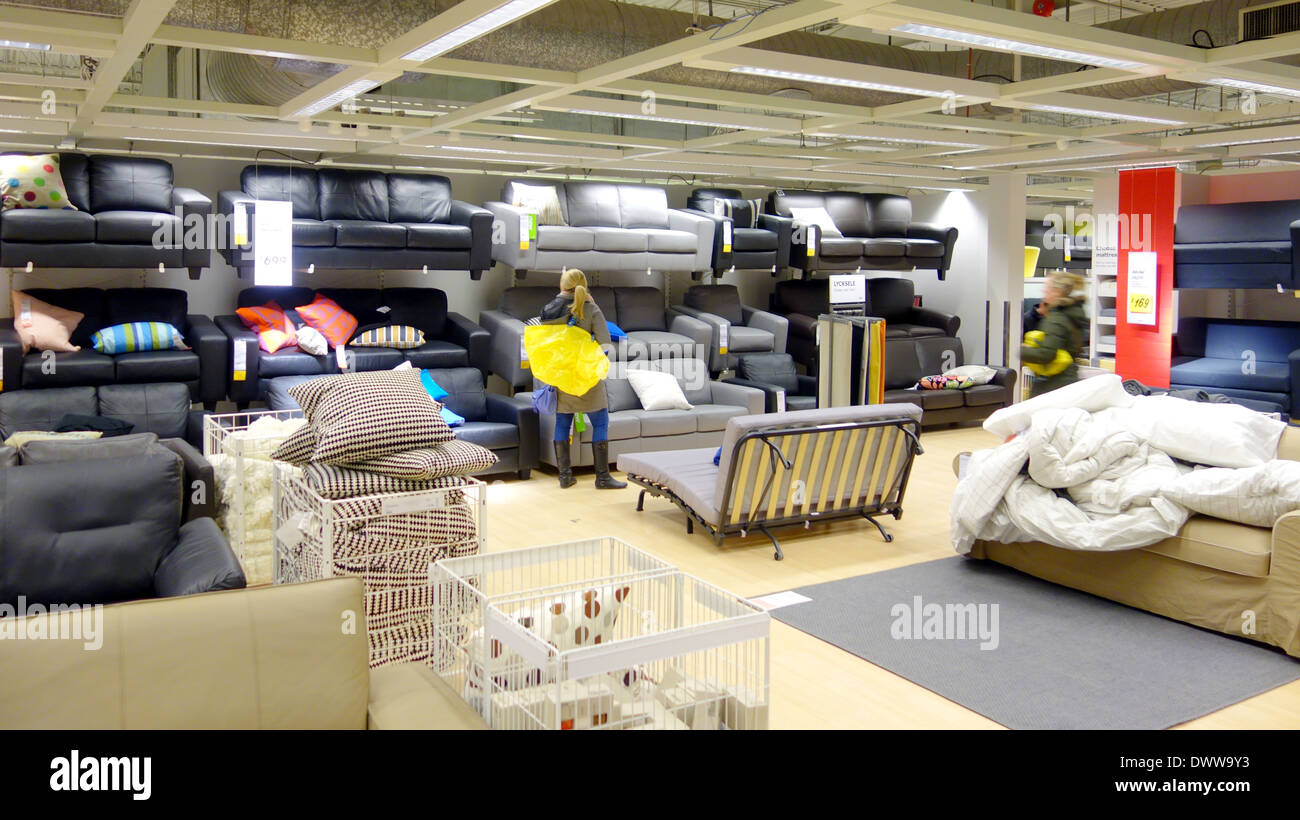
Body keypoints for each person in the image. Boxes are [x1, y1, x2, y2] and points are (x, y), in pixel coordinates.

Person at [539, 268, 625, 490]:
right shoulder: (591, 308)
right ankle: (603, 477)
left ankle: (565, 477)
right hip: (586, 376)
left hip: (562, 376)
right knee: (600, 422)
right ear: (584, 286)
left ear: (562, 285)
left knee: (562, 422)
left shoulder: (549, 310)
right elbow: (605, 345)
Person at [1020, 269, 1087, 398]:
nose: (1044, 291)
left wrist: (1021, 351)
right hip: (1067, 381)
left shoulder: (1057, 318)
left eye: (1047, 287)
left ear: (1057, 292)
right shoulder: (1073, 313)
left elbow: (1046, 354)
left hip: (1052, 386)